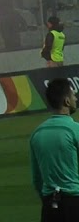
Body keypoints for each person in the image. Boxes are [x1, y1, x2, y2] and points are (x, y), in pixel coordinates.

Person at [29, 78, 79, 219]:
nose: (75, 98)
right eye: (73, 95)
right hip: (74, 203)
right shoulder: (75, 130)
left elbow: (37, 179)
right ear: (67, 101)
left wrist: (47, 198)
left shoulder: (37, 133)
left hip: (49, 206)